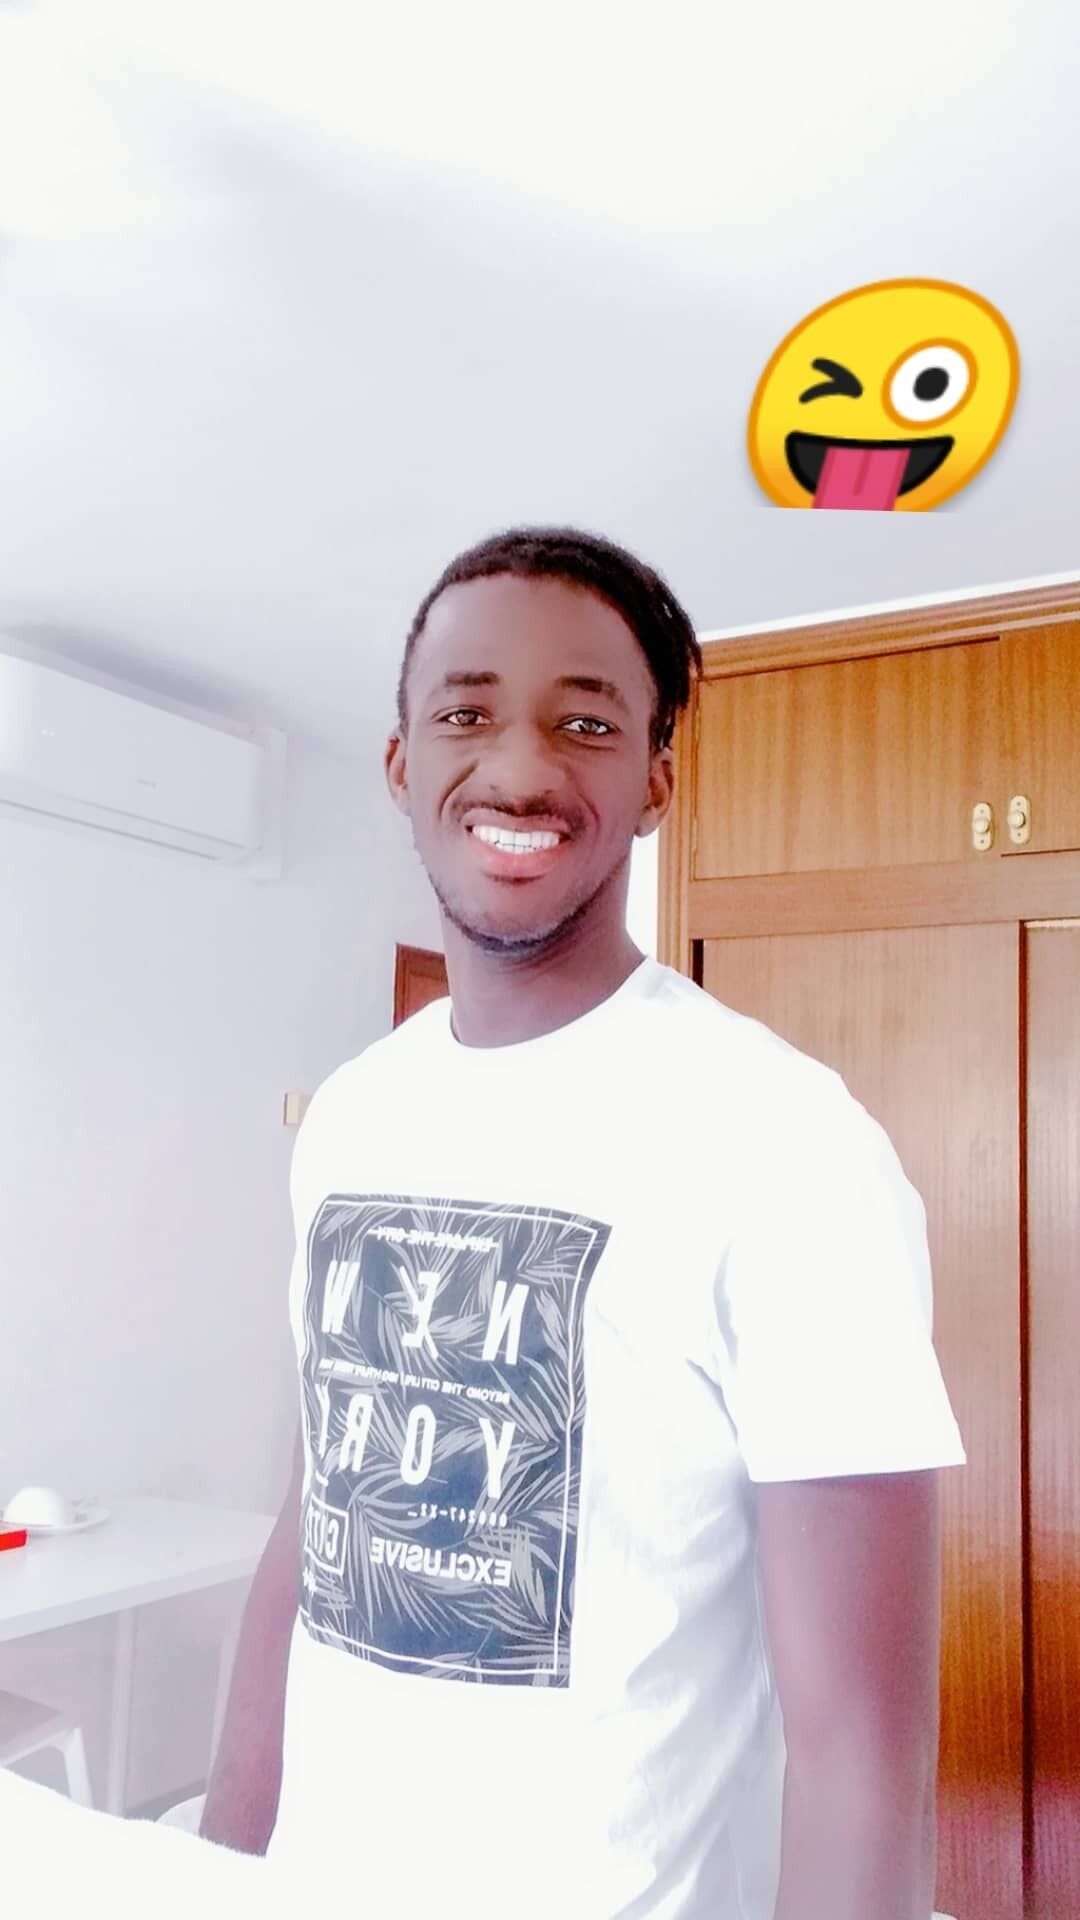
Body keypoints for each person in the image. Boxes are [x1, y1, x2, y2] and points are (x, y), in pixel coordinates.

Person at [201, 527, 965, 1920]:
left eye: (588, 722)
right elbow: (310, 1534)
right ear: (402, 765)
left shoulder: (788, 1144)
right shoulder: (356, 1116)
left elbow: (861, 1746)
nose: (520, 767)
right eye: (467, 713)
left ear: (655, 781)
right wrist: (217, 1876)